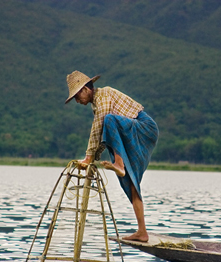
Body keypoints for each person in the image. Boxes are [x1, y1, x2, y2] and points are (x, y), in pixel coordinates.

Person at [65, 70, 158, 242]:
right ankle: (142, 231)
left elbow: (98, 128)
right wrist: (92, 160)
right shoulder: (97, 105)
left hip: (144, 127)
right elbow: (104, 135)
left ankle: (120, 164)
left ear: (86, 89)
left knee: (108, 120)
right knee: (131, 183)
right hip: (130, 131)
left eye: (78, 96)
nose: (78, 101)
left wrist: (88, 157)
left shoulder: (104, 95)